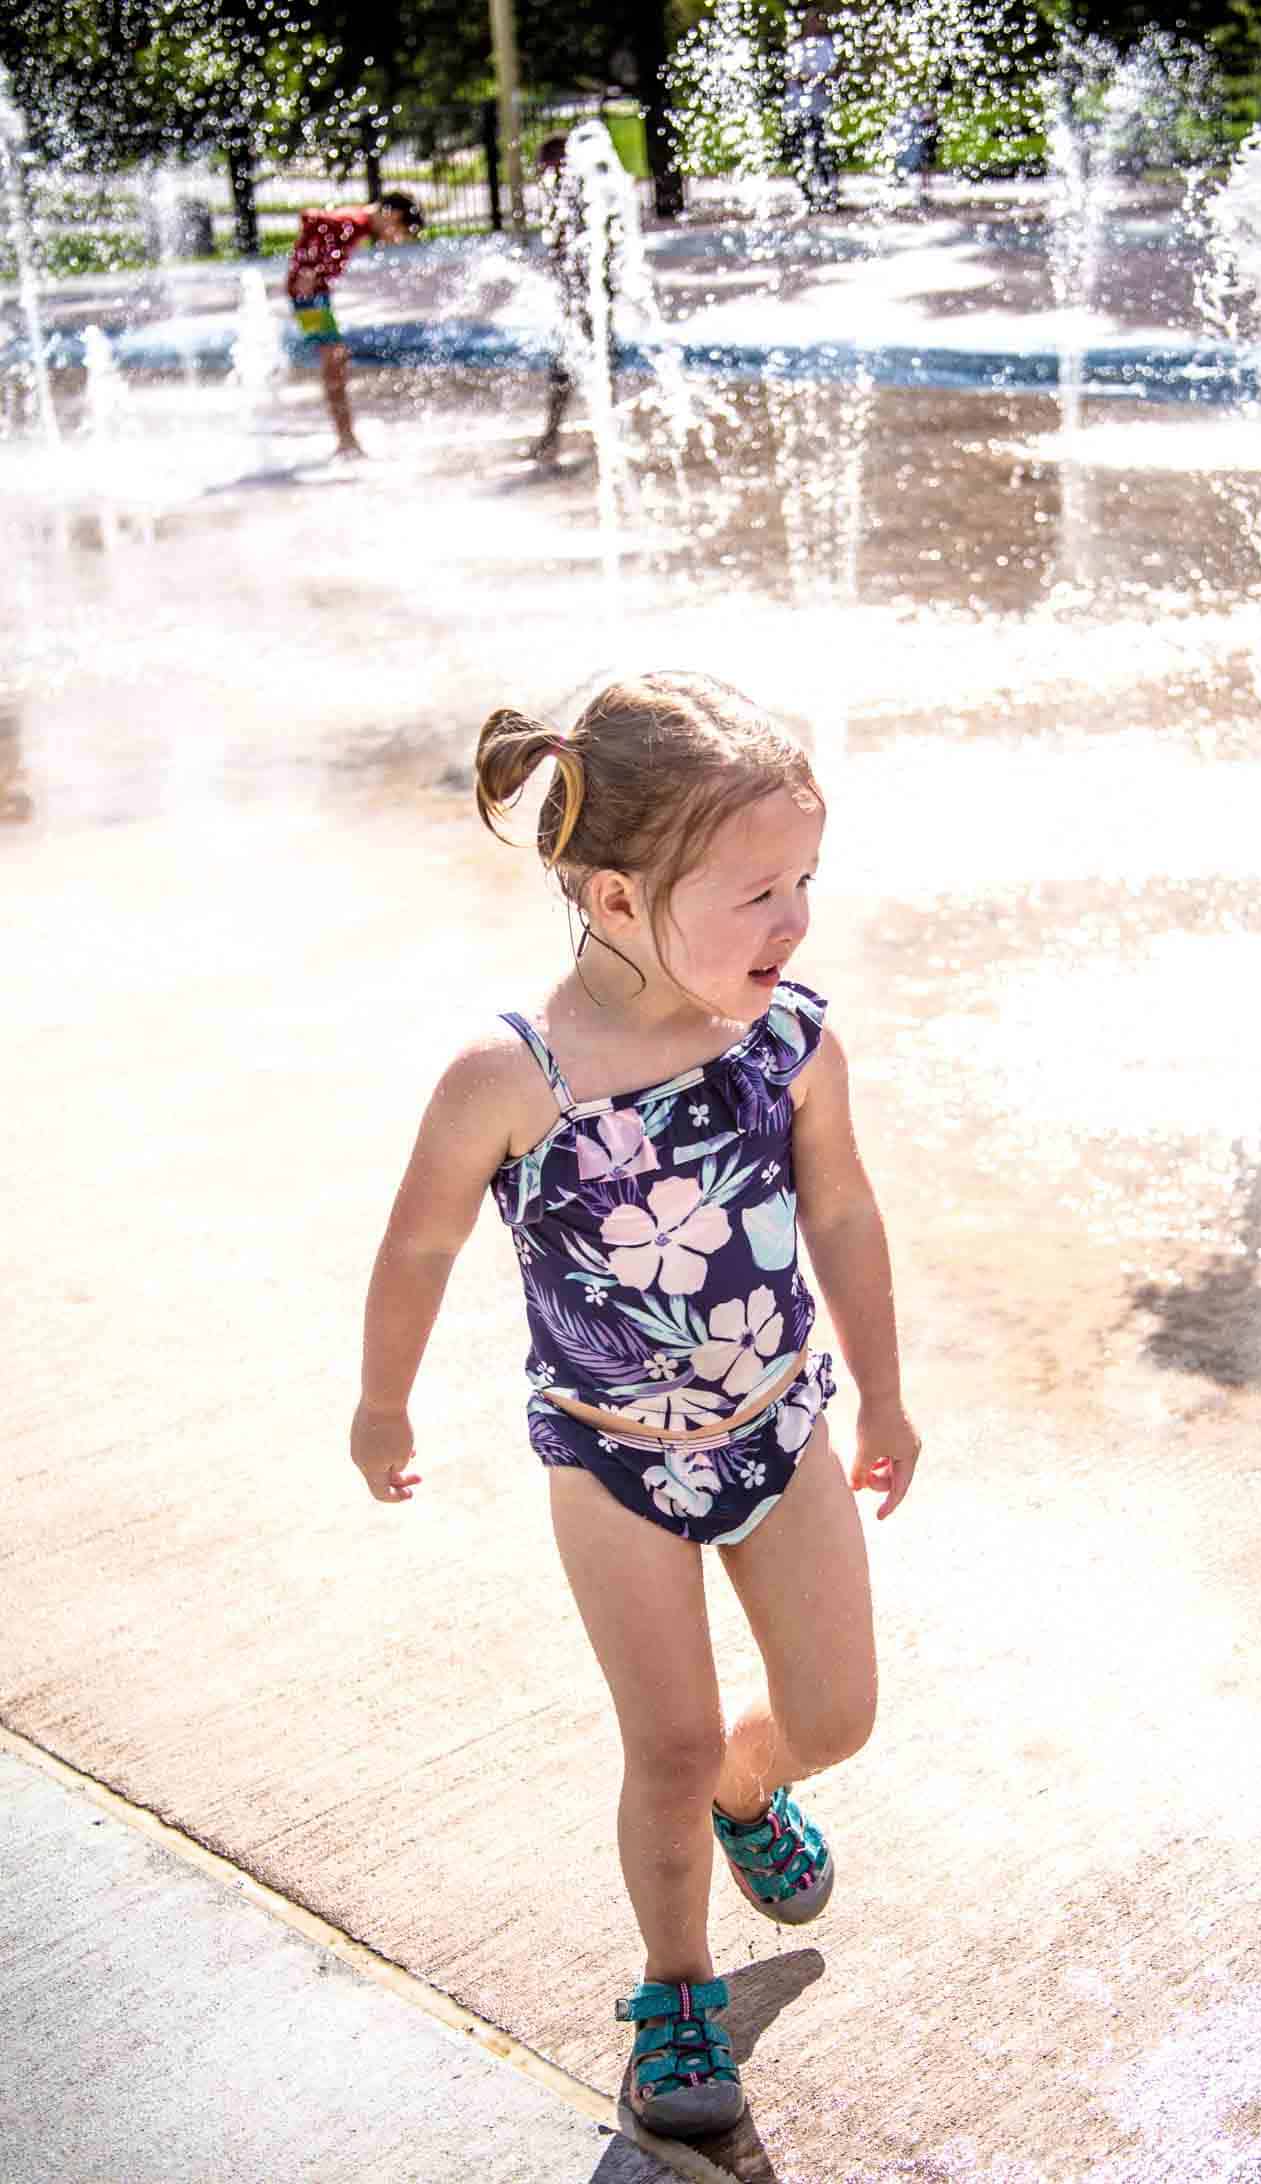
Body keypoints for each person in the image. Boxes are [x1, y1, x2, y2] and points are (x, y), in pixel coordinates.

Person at [351, 672, 920, 2141]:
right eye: (756, 895)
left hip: (780, 1429)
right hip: (612, 1464)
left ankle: (755, 1786)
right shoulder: (512, 1077)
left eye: (806, 882)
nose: (794, 923)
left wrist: (887, 1397)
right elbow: (417, 1243)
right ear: (613, 898)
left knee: (837, 1715)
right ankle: (676, 1986)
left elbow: (844, 1215)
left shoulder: (786, 1042)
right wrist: (381, 1402)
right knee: (657, 1743)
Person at [285, 192, 424, 457]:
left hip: (315, 296)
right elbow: (312, 218)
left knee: (336, 361)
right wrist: (308, 269)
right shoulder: (356, 222)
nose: (393, 239)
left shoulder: (355, 222)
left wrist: (311, 266)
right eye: (398, 232)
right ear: (392, 215)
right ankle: (346, 439)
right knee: (334, 363)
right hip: (309, 298)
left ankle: (346, 438)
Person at [530, 125, 623, 464]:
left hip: (591, 298)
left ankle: (594, 437)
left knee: (591, 361)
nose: (541, 171)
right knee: (570, 364)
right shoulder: (564, 198)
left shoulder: (584, 198)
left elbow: (603, 248)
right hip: (575, 299)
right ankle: (557, 435)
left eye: (546, 163)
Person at [784, 10, 839, 213]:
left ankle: (828, 193)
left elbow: (833, 73)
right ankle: (806, 194)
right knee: (800, 151)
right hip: (798, 109)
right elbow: (793, 76)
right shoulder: (796, 48)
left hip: (820, 108)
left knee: (822, 151)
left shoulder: (826, 46)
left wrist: (816, 79)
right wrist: (813, 79)